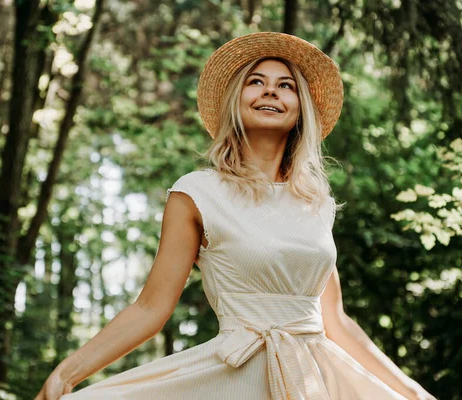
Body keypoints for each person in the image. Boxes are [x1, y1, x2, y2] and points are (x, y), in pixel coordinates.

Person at [35, 32, 436, 400]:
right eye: (256, 81)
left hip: (314, 380)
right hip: (235, 376)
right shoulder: (197, 193)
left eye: (286, 86)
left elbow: (334, 318)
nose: (271, 92)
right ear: (237, 98)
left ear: (301, 109)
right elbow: (150, 308)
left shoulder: (318, 204)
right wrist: (67, 374)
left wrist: (410, 390)